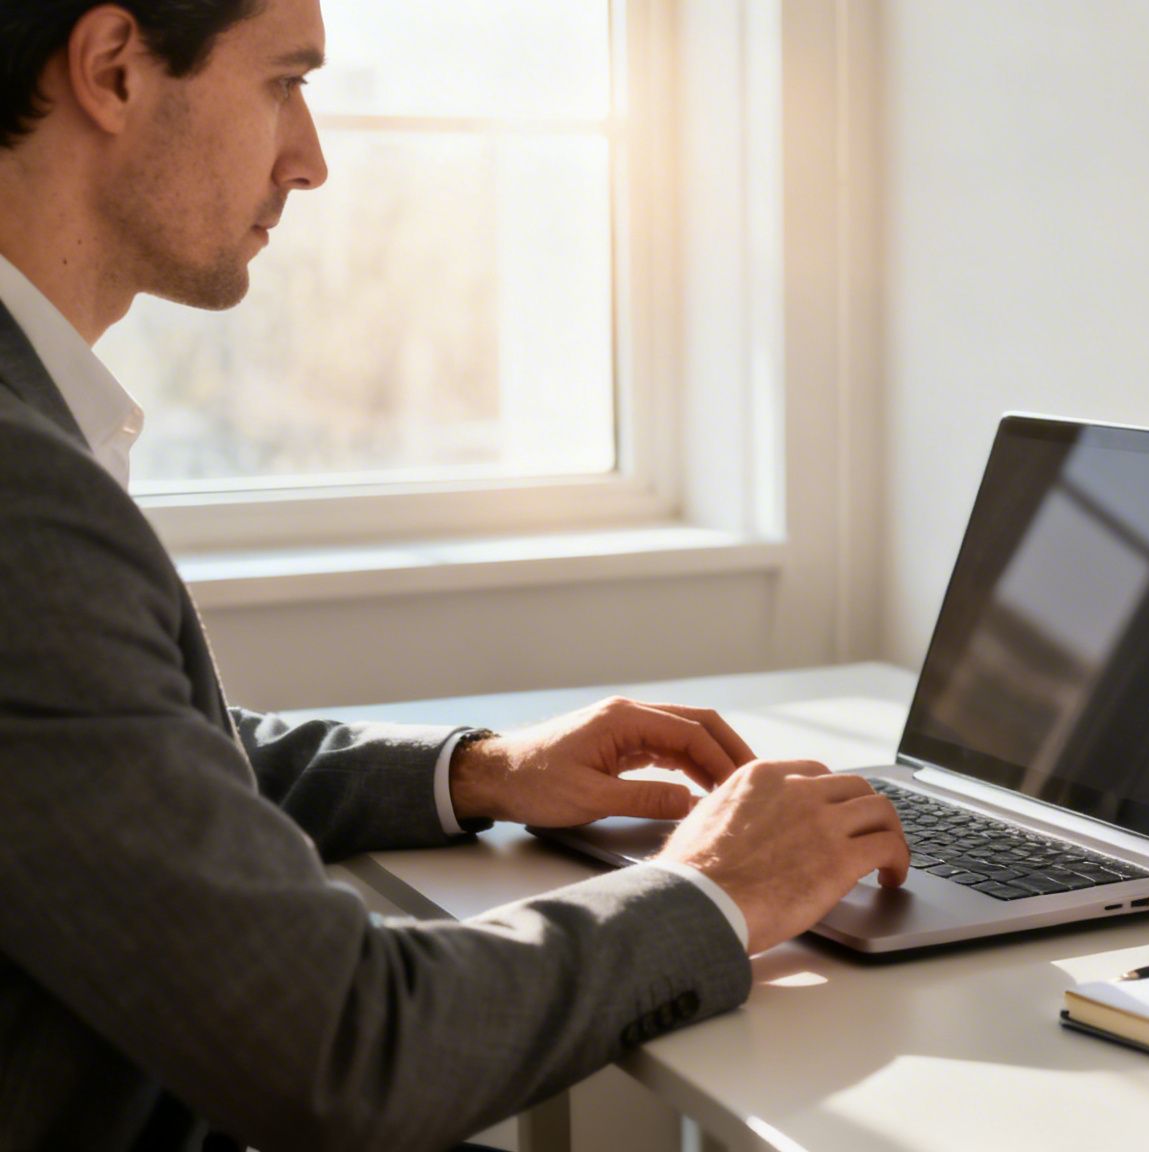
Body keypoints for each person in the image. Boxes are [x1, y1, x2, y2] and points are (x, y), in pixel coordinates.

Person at [0, 1, 910, 1148]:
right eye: (285, 82)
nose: (311, 159)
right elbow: (348, 1050)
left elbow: (136, 764)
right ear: (115, 71)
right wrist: (715, 888)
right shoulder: (20, 498)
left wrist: (479, 771)